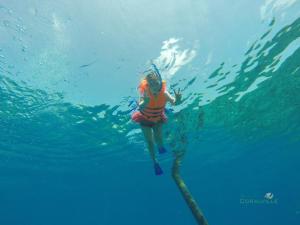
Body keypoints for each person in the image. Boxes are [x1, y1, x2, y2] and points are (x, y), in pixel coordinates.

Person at [131, 65, 182, 175]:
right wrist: (145, 102)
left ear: (160, 83)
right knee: (149, 141)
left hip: (158, 118)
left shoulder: (164, 93)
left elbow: (174, 103)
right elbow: (140, 107)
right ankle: (155, 161)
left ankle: (160, 146)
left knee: (158, 136)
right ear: (148, 85)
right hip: (144, 119)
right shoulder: (145, 93)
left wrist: (178, 99)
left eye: (157, 84)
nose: (155, 87)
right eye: (152, 85)